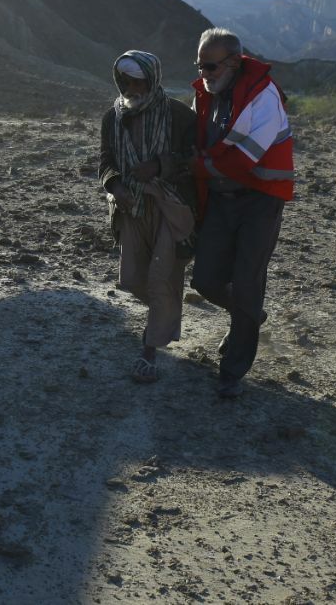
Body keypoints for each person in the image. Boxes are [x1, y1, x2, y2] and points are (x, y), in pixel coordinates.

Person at [189, 28, 294, 399]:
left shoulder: (264, 96)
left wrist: (189, 166)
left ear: (234, 62)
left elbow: (242, 160)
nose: (205, 73)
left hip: (260, 200)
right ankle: (248, 316)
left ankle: (232, 372)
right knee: (204, 280)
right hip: (221, 198)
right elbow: (197, 140)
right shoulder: (206, 94)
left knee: (248, 281)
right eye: (199, 66)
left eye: (211, 65)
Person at [99, 51, 197, 383]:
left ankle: (149, 349)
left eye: (137, 80)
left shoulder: (179, 116)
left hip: (169, 206)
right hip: (130, 209)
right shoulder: (112, 117)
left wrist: (159, 167)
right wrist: (114, 184)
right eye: (125, 80)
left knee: (162, 278)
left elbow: (193, 159)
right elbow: (106, 161)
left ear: (152, 80)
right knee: (133, 279)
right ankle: (163, 315)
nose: (130, 87)